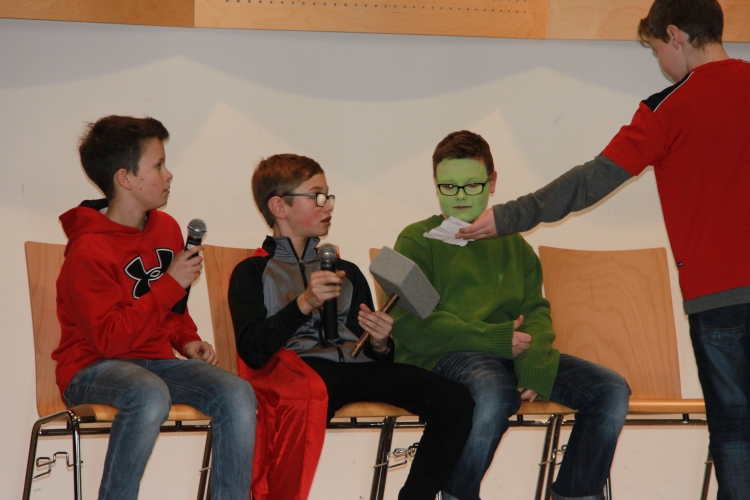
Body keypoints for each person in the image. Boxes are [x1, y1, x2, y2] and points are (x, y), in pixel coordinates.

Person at [456, 1, 750, 498]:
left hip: (718, 297)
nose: (661, 62)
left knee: (736, 431)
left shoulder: (667, 108)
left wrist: (507, 216)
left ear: (675, 35)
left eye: (656, 49)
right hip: (720, 295)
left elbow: (590, 181)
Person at [390, 131, 631, 500]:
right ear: (435, 184)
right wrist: (495, 339)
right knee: (494, 393)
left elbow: (535, 311)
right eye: (448, 186)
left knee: (611, 390)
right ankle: (456, 494)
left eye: (472, 185)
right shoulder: (412, 240)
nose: (460, 196)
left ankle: (575, 495)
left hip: (507, 354)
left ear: (492, 182)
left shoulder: (515, 244)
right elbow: (415, 322)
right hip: (443, 357)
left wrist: (534, 363)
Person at [227, 153, 475, 500]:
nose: (328, 205)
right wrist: (303, 304)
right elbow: (253, 351)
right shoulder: (252, 273)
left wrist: (381, 342)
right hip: (302, 373)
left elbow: (373, 355)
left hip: (354, 370)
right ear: (279, 206)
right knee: (304, 403)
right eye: (316, 197)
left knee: (455, 399)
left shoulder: (349, 271)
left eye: (328, 196)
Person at [53, 115, 257, 500]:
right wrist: (169, 283)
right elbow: (110, 341)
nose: (169, 174)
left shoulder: (166, 228)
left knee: (237, 393)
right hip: (92, 367)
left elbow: (172, 311)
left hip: (156, 365)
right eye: (158, 165)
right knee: (147, 394)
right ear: (125, 178)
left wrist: (187, 339)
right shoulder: (87, 250)